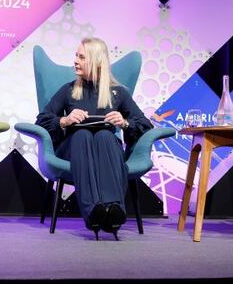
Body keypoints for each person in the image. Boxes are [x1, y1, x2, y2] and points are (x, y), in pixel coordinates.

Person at [35, 37, 152, 239]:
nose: (75, 61)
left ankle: (114, 209)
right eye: (76, 56)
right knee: (81, 135)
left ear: (97, 63)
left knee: (106, 136)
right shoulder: (69, 90)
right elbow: (42, 121)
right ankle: (93, 212)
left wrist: (124, 123)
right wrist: (65, 120)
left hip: (106, 149)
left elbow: (144, 126)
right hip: (73, 148)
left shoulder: (118, 93)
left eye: (82, 57)